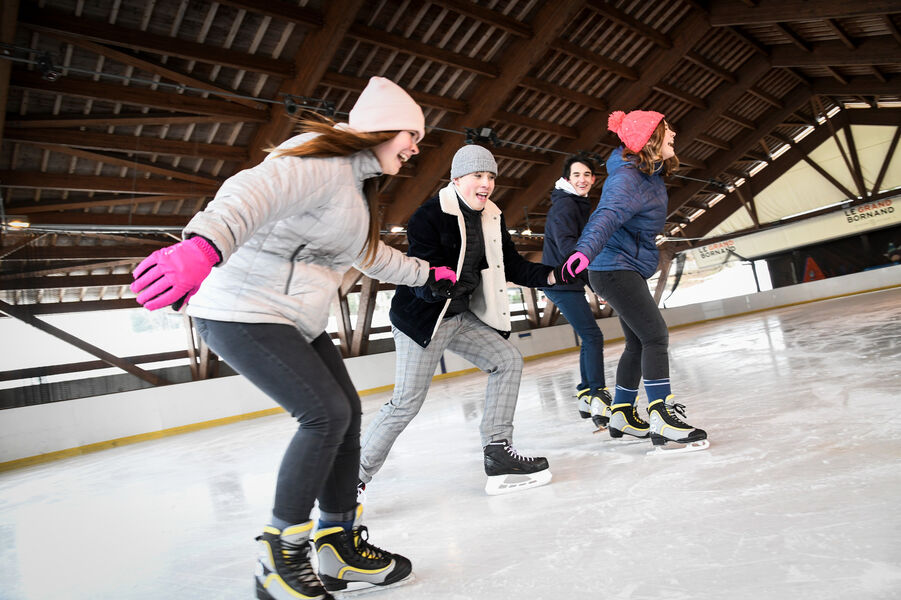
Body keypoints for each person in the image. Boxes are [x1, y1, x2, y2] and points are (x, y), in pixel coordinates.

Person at [129, 77, 459, 599]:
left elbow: (369, 256)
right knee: (324, 413)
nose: (417, 147)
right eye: (411, 135)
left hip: (292, 318)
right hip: (241, 308)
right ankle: (279, 558)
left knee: (345, 414)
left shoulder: (355, 188)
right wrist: (203, 246)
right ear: (380, 129)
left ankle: (337, 545)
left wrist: (427, 274)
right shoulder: (317, 165)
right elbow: (251, 193)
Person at [359, 144, 556, 496]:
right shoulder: (430, 215)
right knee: (406, 402)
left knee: (507, 360)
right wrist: (436, 283)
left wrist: (553, 276)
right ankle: (353, 478)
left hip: (460, 316)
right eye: (478, 176)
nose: (486, 183)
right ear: (457, 179)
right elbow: (419, 273)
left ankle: (498, 451)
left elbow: (511, 265)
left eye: (491, 176)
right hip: (421, 320)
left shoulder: (491, 217)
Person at [555, 110, 708, 453]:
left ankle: (622, 412)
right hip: (612, 267)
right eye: (667, 131)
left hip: (623, 266)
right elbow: (606, 216)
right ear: (649, 138)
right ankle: (662, 416)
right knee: (655, 335)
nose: (673, 136)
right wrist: (583, 252)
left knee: (639, 341)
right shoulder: (627, 178)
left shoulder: (647, 174)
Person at [540, 153, 612, 429]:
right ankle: (597, 393)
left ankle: (585, 393)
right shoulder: (565, 206)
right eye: (576, 175)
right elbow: (571, 249)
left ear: (593, 179)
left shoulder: (578, 203)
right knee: (593, 336)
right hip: (560, 282)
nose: (582, 180)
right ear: (567, 179)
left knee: (588, 336)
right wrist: (596, 285)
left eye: (586, 175)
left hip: (566, 282)